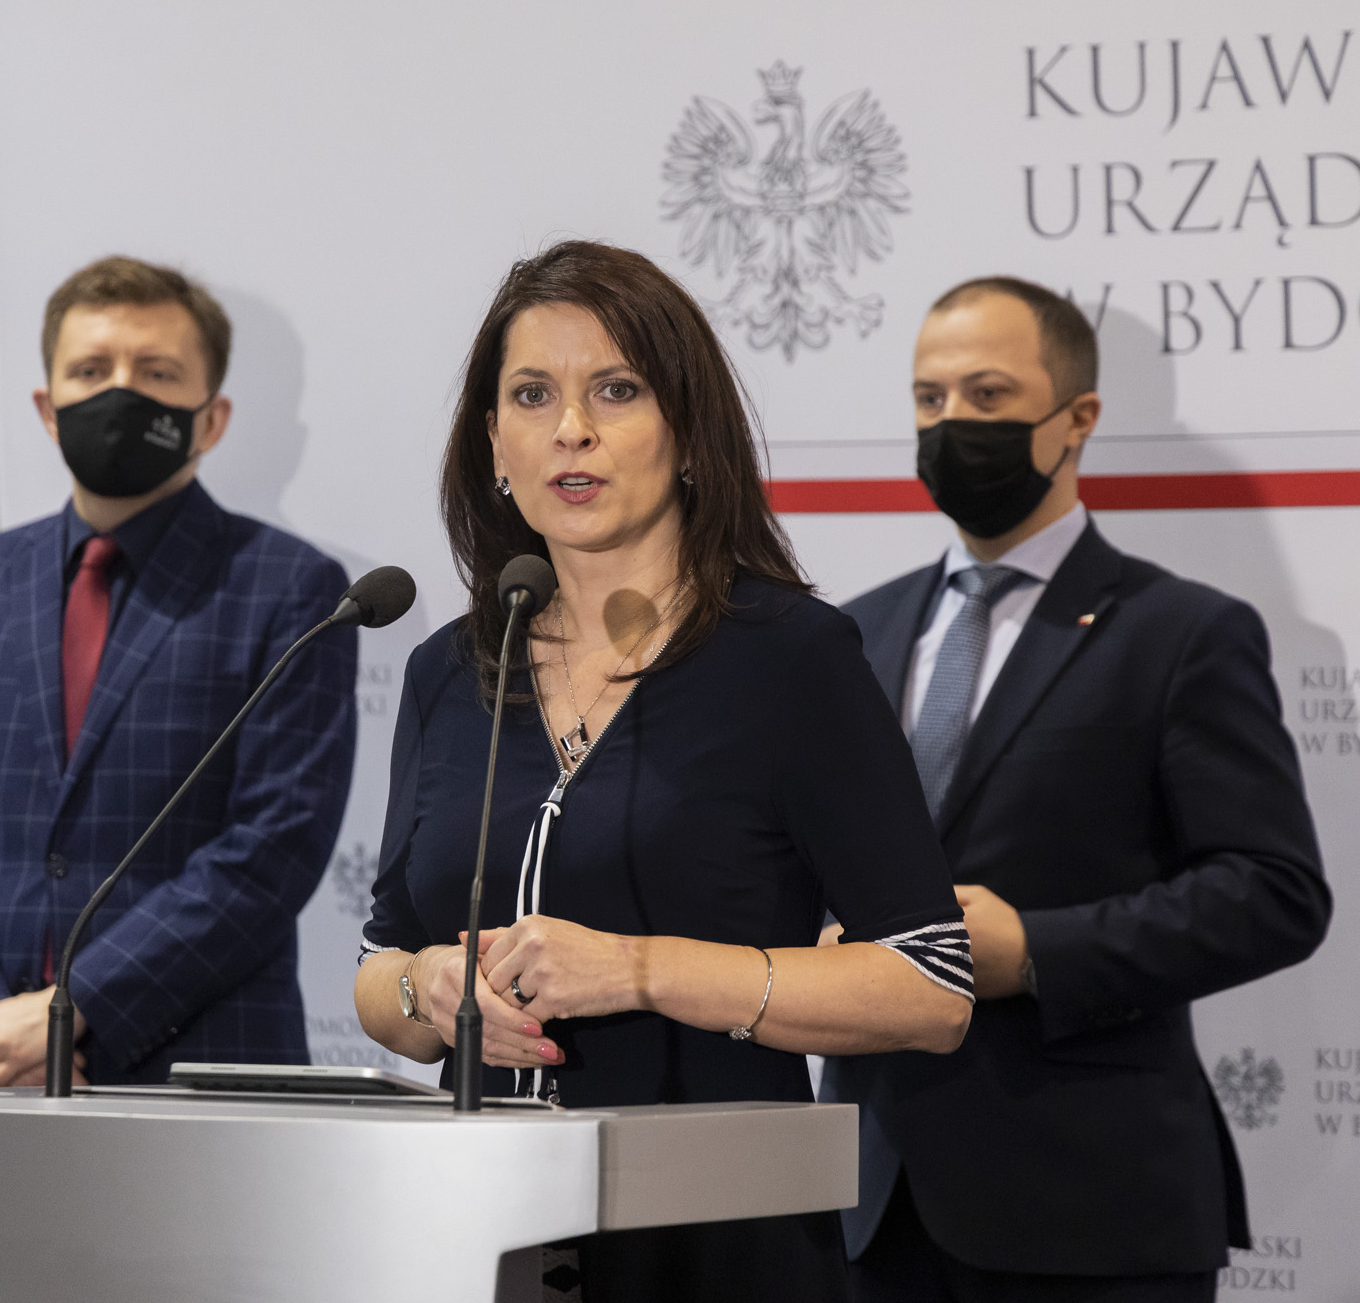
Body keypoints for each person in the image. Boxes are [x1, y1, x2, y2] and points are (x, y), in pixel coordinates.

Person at [354, 240, 972, 1302]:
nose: (571, 428)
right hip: (475, 1236)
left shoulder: (789, 657)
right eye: (532, 395)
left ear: (686, 430)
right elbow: (378, 967)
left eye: (616, 389)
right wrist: (429, 985)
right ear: (493, 444)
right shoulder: (448, 670)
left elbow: (930, 982)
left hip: (715, 1237)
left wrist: (639, 970)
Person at [822, 277, 1332, 1302]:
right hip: (869, 1203)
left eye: (987, 396)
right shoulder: (851, 633)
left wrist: (1032, 951)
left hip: (1091, 1209)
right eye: (928, 399)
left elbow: (1274, 891)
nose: (951, 425)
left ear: (1077, 418)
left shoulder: (1182, 632)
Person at [0, 255, 357, 1090]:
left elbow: (274, 844)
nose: (120, 393)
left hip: (197, 1077)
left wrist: (75, 1008)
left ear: (212, 419)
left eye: (157, 373)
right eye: (91, 371)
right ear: (47, 408)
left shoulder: (291, 588)